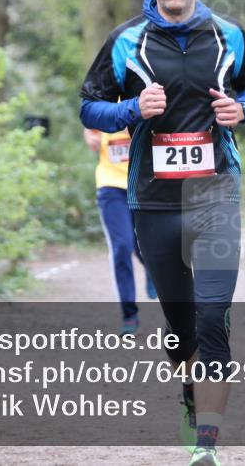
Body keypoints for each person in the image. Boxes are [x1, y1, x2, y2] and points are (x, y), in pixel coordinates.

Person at [79, 0, 245, 466]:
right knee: (181, 327)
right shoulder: (125, 42)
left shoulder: (228, 35)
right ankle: (190, 397)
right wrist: (132, 110)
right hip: (154, 202)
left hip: (217, 196)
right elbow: (90, 106)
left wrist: (244, 108)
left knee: (213, 317)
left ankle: (206, 445)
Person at [82, 127, 158, 336]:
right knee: (122, 247)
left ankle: (151, 268)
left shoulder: (149, 94)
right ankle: (129, 314)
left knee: (144, 244)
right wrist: (91, 137)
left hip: (144, 183)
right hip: (111, 186)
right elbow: (90, 127)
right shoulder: (105, 96)